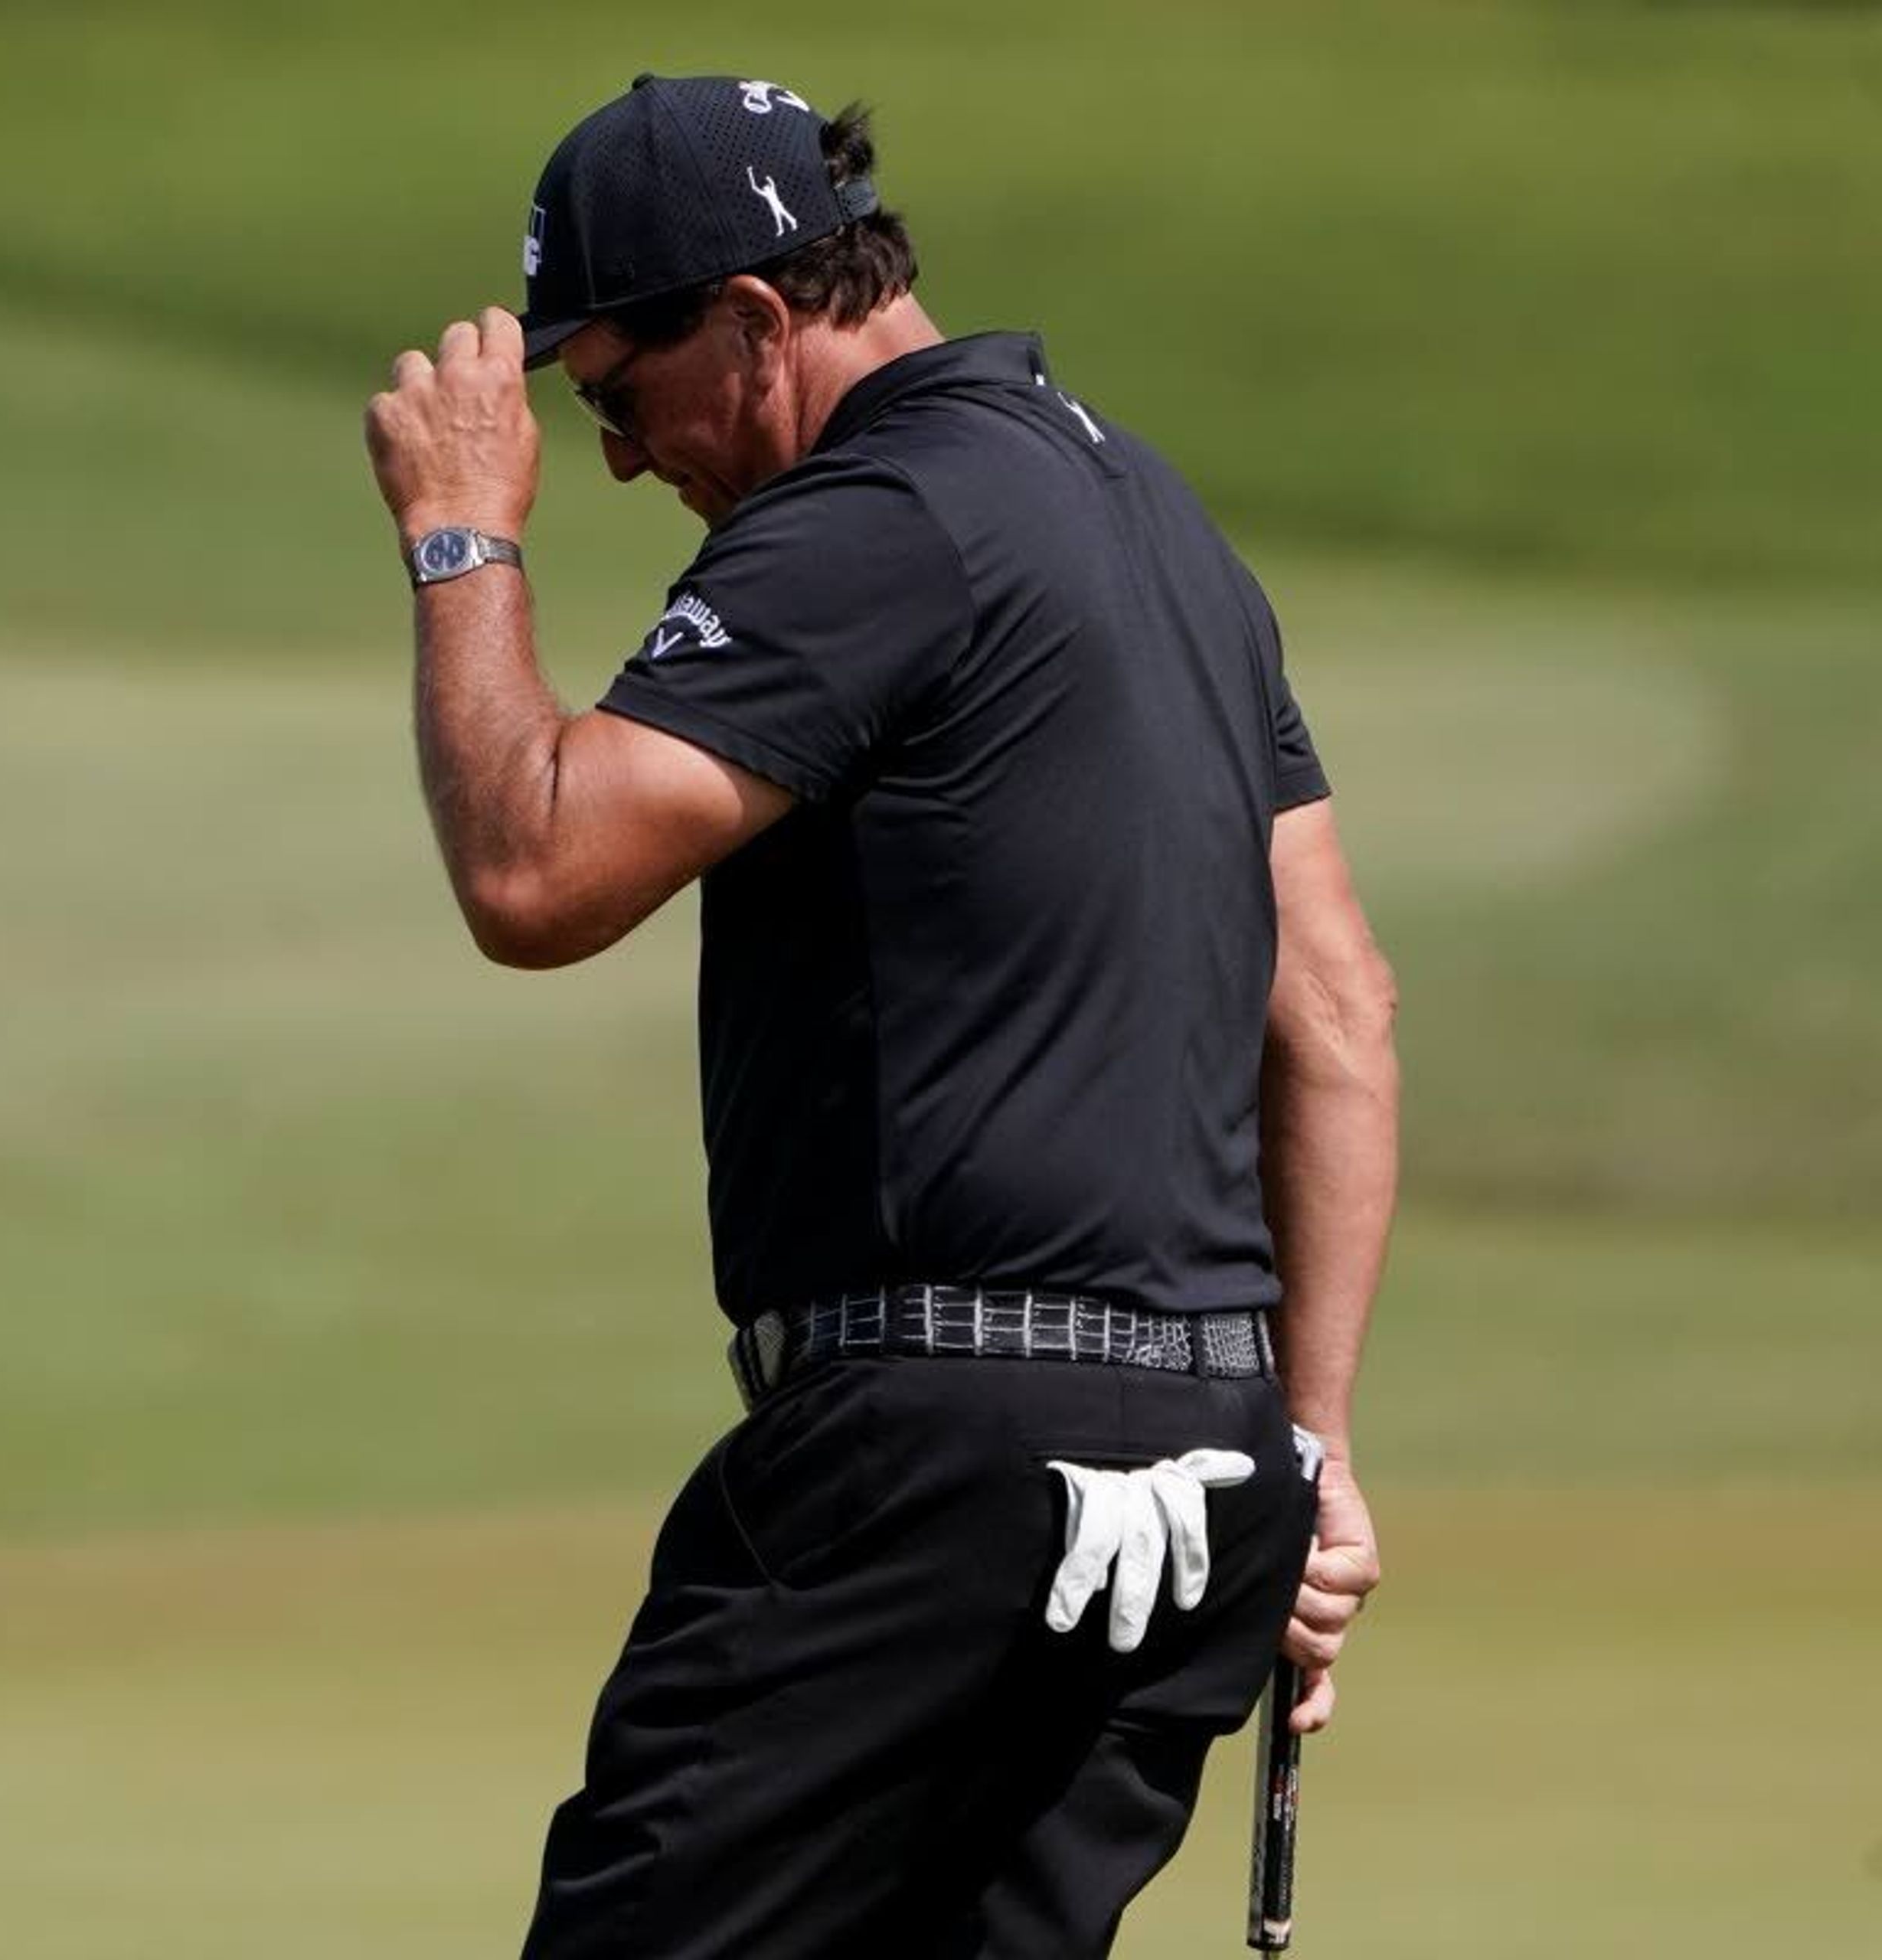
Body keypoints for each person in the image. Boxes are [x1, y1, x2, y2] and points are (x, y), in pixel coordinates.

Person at [361, 72, 1397, 1959]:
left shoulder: (881, 514)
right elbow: (1334, 1007)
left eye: (613, 394)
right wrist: (1307, 1456)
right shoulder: (1162, 522)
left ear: (758, 319)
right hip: (1199, 1480)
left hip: (945, 1466)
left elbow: (534, 870)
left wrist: (459, 538)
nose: (606, 457)